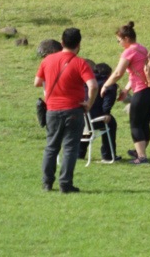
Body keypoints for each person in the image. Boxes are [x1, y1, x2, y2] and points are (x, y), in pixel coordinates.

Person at [34, 26, 97, 192]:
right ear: (79, 44)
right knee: (70, 147)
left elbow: (37, 82)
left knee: (51, 146)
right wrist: (88, 103)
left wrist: (48, 91)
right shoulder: (80, 63)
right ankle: (65, 184)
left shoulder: (47, 60)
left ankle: (47, 183)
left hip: (52, 110)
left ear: (62, 42)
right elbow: (93, 85)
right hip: (73, 110)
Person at [101, 21, 150, 164]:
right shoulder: (142, 49)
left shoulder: (129, 52)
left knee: (135, 124)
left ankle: (141, 157)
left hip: (143, 93)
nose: (119, 43)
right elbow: (137, 74)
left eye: (119, 40)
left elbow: (117, 73)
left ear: (126, 39)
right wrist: (126, 90)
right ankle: (140, 151)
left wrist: (105, 85)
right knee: (144, 122)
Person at [82, 62, 120, 164]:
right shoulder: (108, 84)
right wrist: (106, 113)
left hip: (80, 117)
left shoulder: (85, 82)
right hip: (95, 118)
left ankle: (79, 153)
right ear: (109, 74)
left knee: (86, 127)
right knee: (111, 123)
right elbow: (108, 101)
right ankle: (108, 155)